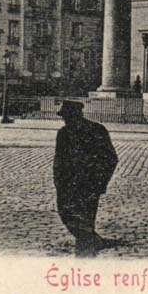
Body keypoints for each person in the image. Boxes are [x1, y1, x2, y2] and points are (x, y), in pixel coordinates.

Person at [53, 100, 118, 257]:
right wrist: (58, 180)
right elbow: (59, 159)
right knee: (67, 213)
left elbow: (110, 158)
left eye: (67, 116)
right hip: (70, 183)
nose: (65, 119)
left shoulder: (96, 130)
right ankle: (92, 241)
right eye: (64, 116)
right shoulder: (64, 133)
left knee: (85, 217)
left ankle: (87, 250)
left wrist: (100, 181)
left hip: (87, 183)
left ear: (77, 115)